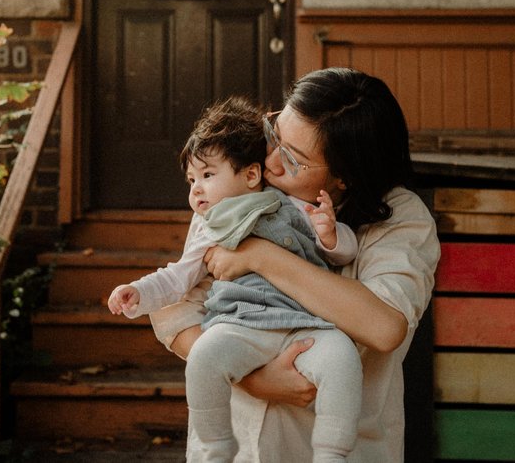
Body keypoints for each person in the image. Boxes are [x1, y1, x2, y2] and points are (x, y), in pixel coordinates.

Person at [148, 67, 441, 462]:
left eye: (293, 159)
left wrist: (262, 256)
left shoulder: (400, 218)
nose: (269, 162)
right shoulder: (238, 189)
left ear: (345, 179)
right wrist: (253, 379)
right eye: (274, 136)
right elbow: (177, 310)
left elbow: (385, 325)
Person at [107, 96, 363, 462]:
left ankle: (331, 452)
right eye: (192, 179)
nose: (195, 188)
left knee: (342, 357)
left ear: (250, 174)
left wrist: (331, 235)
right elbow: (179, 276)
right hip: (239, 324)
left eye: (208, 175)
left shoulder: (292, 204)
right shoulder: (210, 225)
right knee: (204, 358)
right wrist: (138, 292)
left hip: (304, 323)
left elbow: (345, 252)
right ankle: (215, 449)